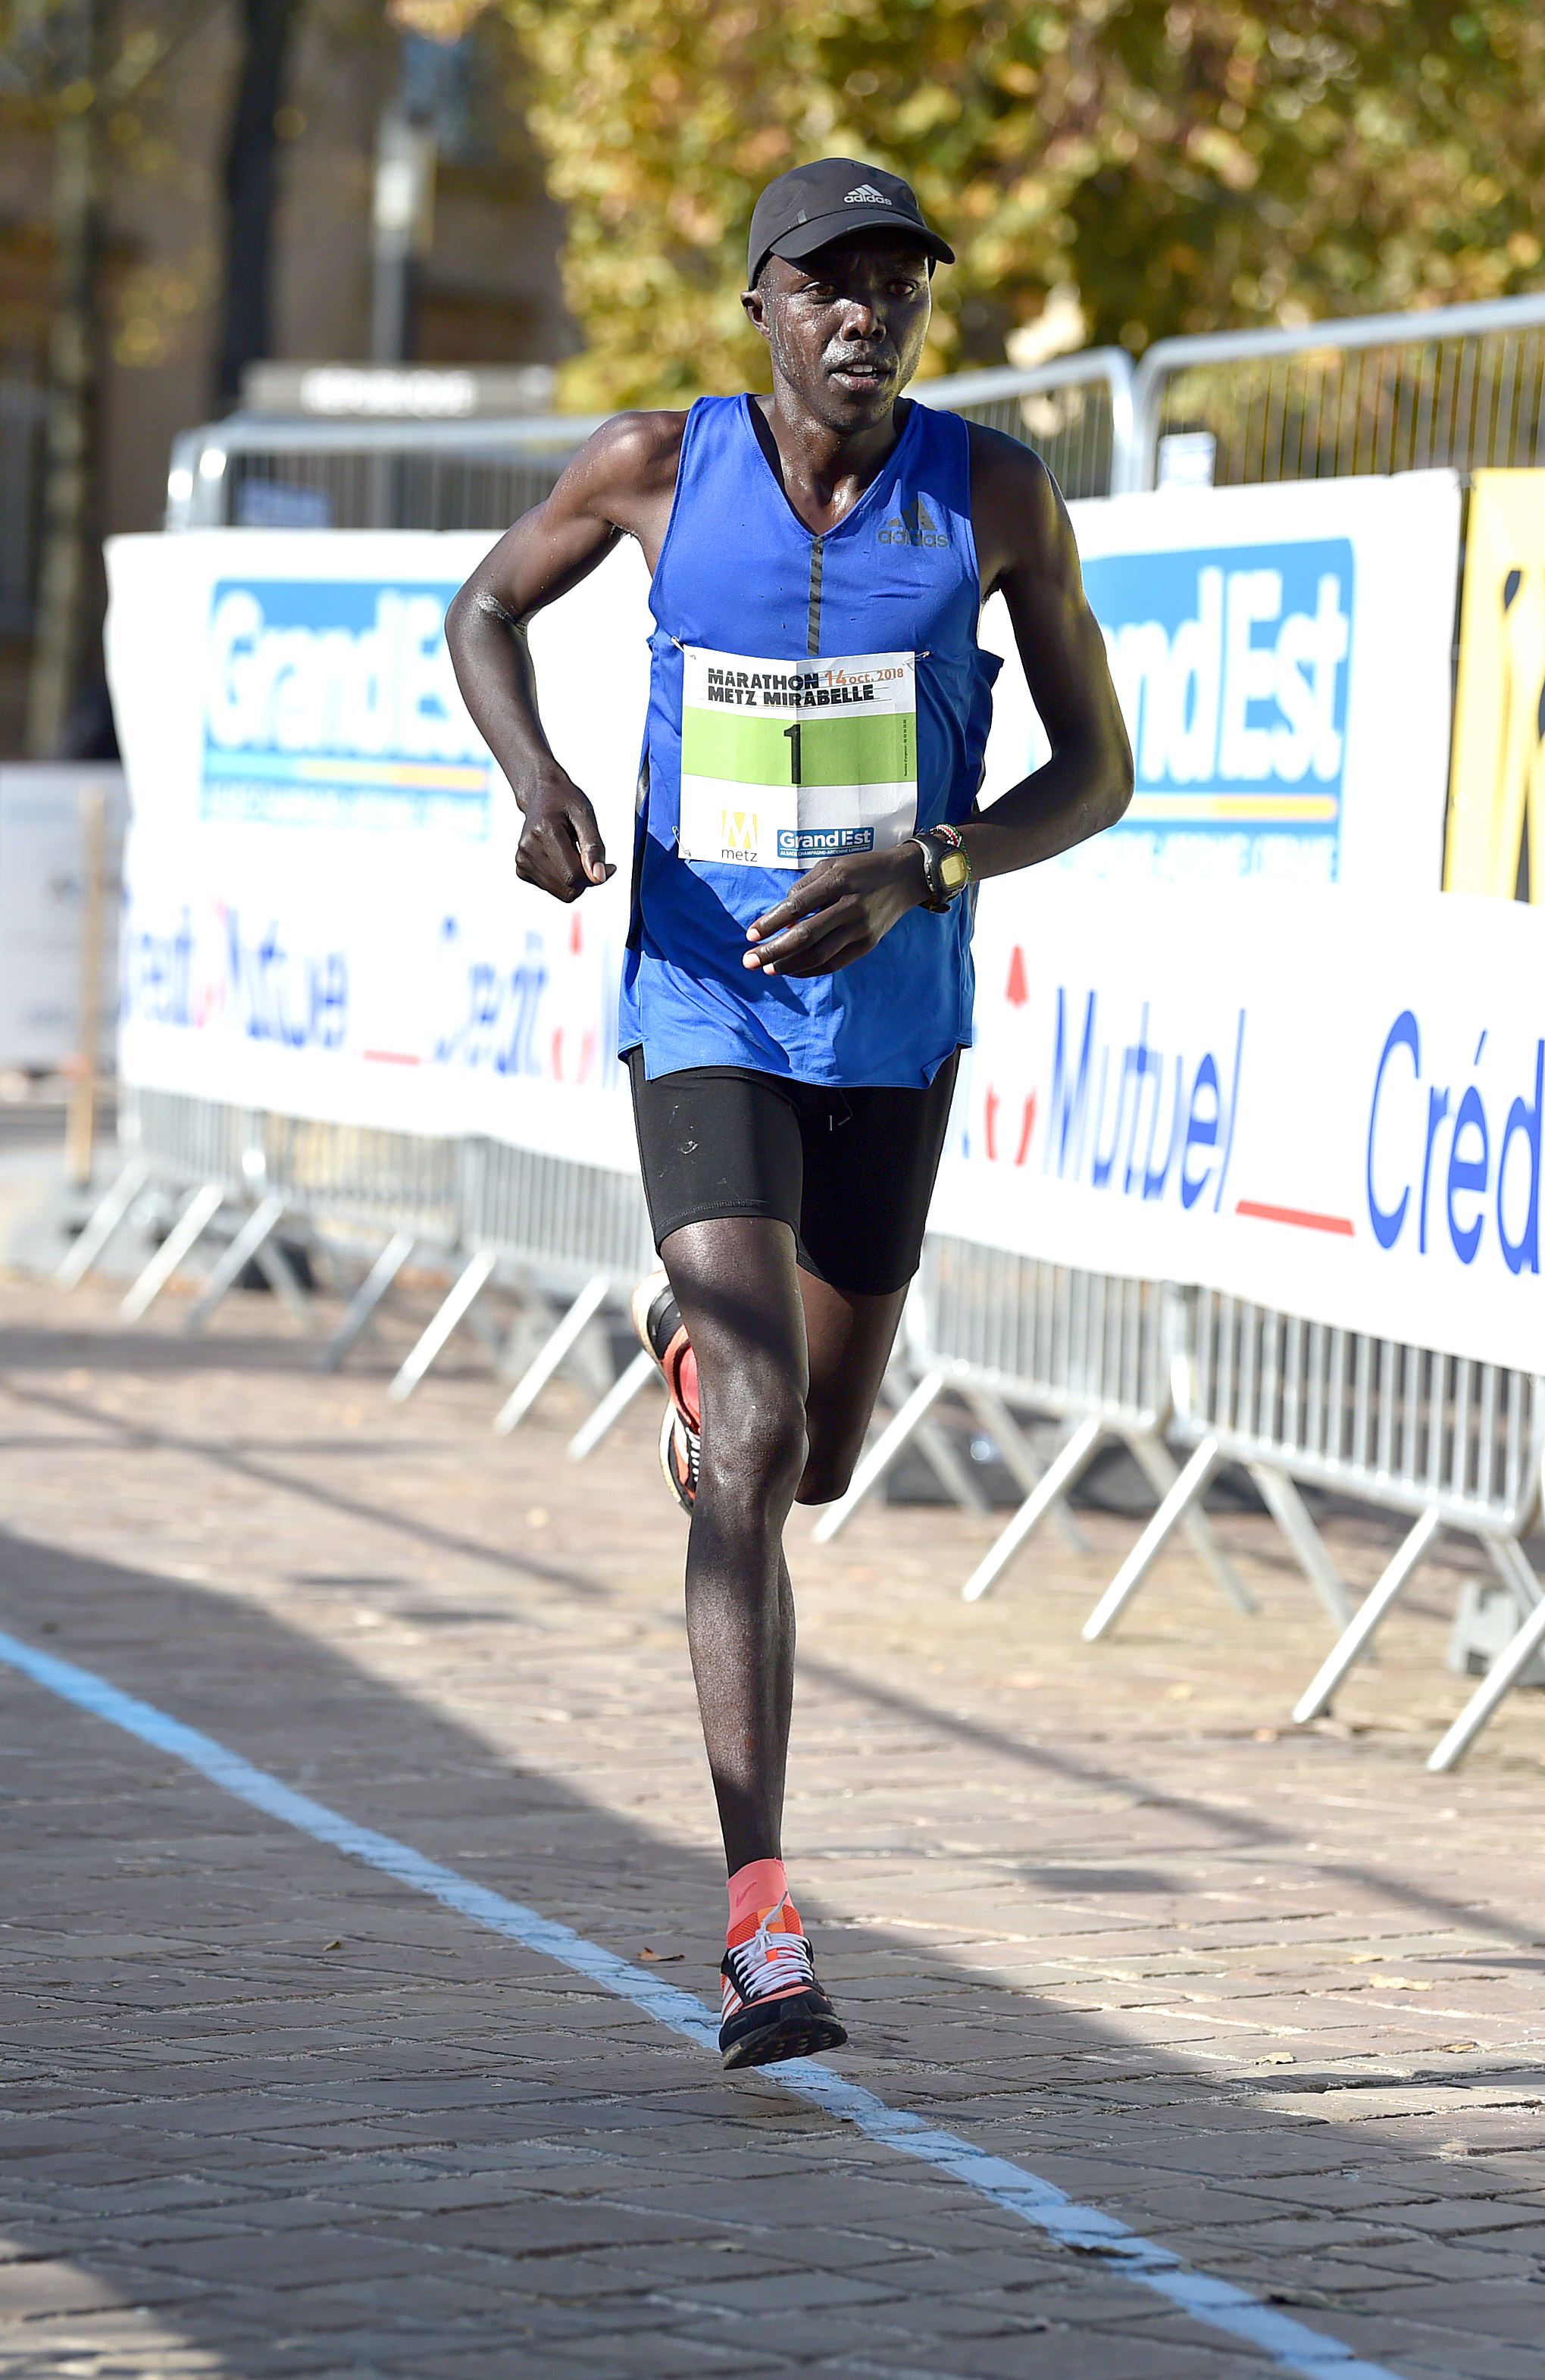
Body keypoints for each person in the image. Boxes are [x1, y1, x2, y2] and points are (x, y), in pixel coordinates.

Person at [446, 158, 1132, 2071]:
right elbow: (482, 613)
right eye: (829, 283)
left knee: (817, 1453)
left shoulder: (993, 494)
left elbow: (1100, 771)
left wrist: (933, 858)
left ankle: (702, 1354)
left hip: (892, 1029)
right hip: (701, 1002)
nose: (866, 317)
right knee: (751, 1427)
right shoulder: (656, 466)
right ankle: (761, 1919)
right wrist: (539, 781)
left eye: (897, 287)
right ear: (760, 299)